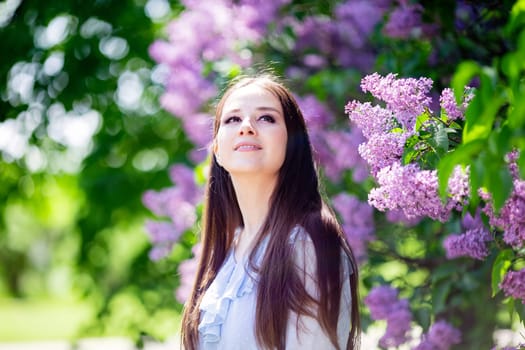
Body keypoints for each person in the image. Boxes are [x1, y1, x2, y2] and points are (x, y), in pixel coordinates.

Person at [181, 74, 360, 350]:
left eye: (266, 118)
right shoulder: (226, 254)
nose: (247, 127)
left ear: (291, 143)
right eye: (232, 119)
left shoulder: (308, 242)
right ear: (217, 149)